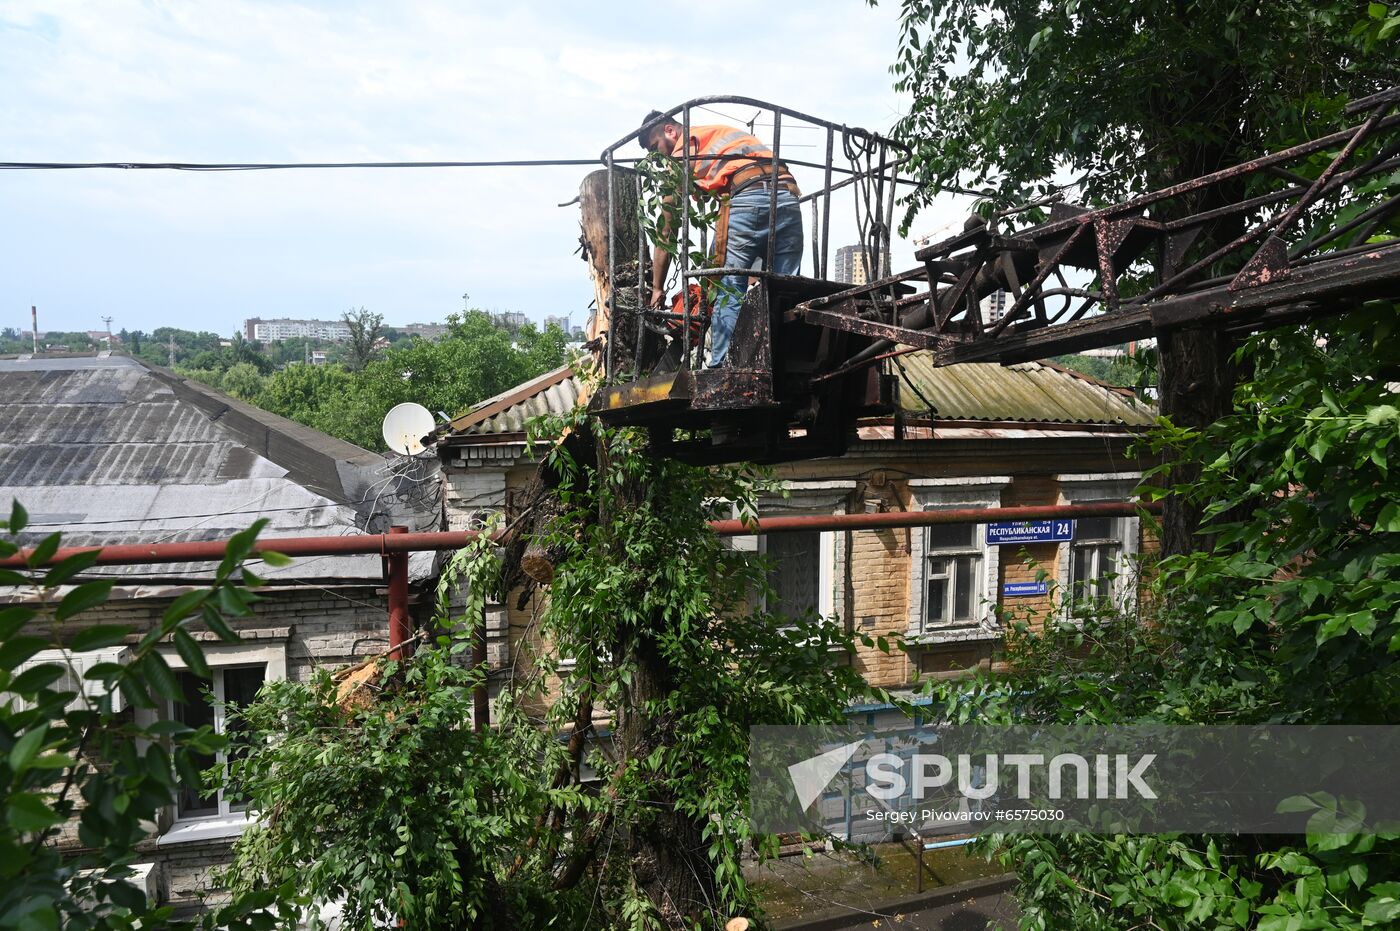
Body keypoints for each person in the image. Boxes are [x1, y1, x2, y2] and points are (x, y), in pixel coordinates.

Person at [638, 111, 802, 367]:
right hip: (789, 195)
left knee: (730, 287)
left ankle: (722, 369)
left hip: (749, 197)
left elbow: (666, 228)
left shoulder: (683, 152)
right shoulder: (717, 134)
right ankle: (783, 363)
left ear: (670, 131)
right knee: (783, 290)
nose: (660, 157)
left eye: (656, 148)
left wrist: (658, 287)